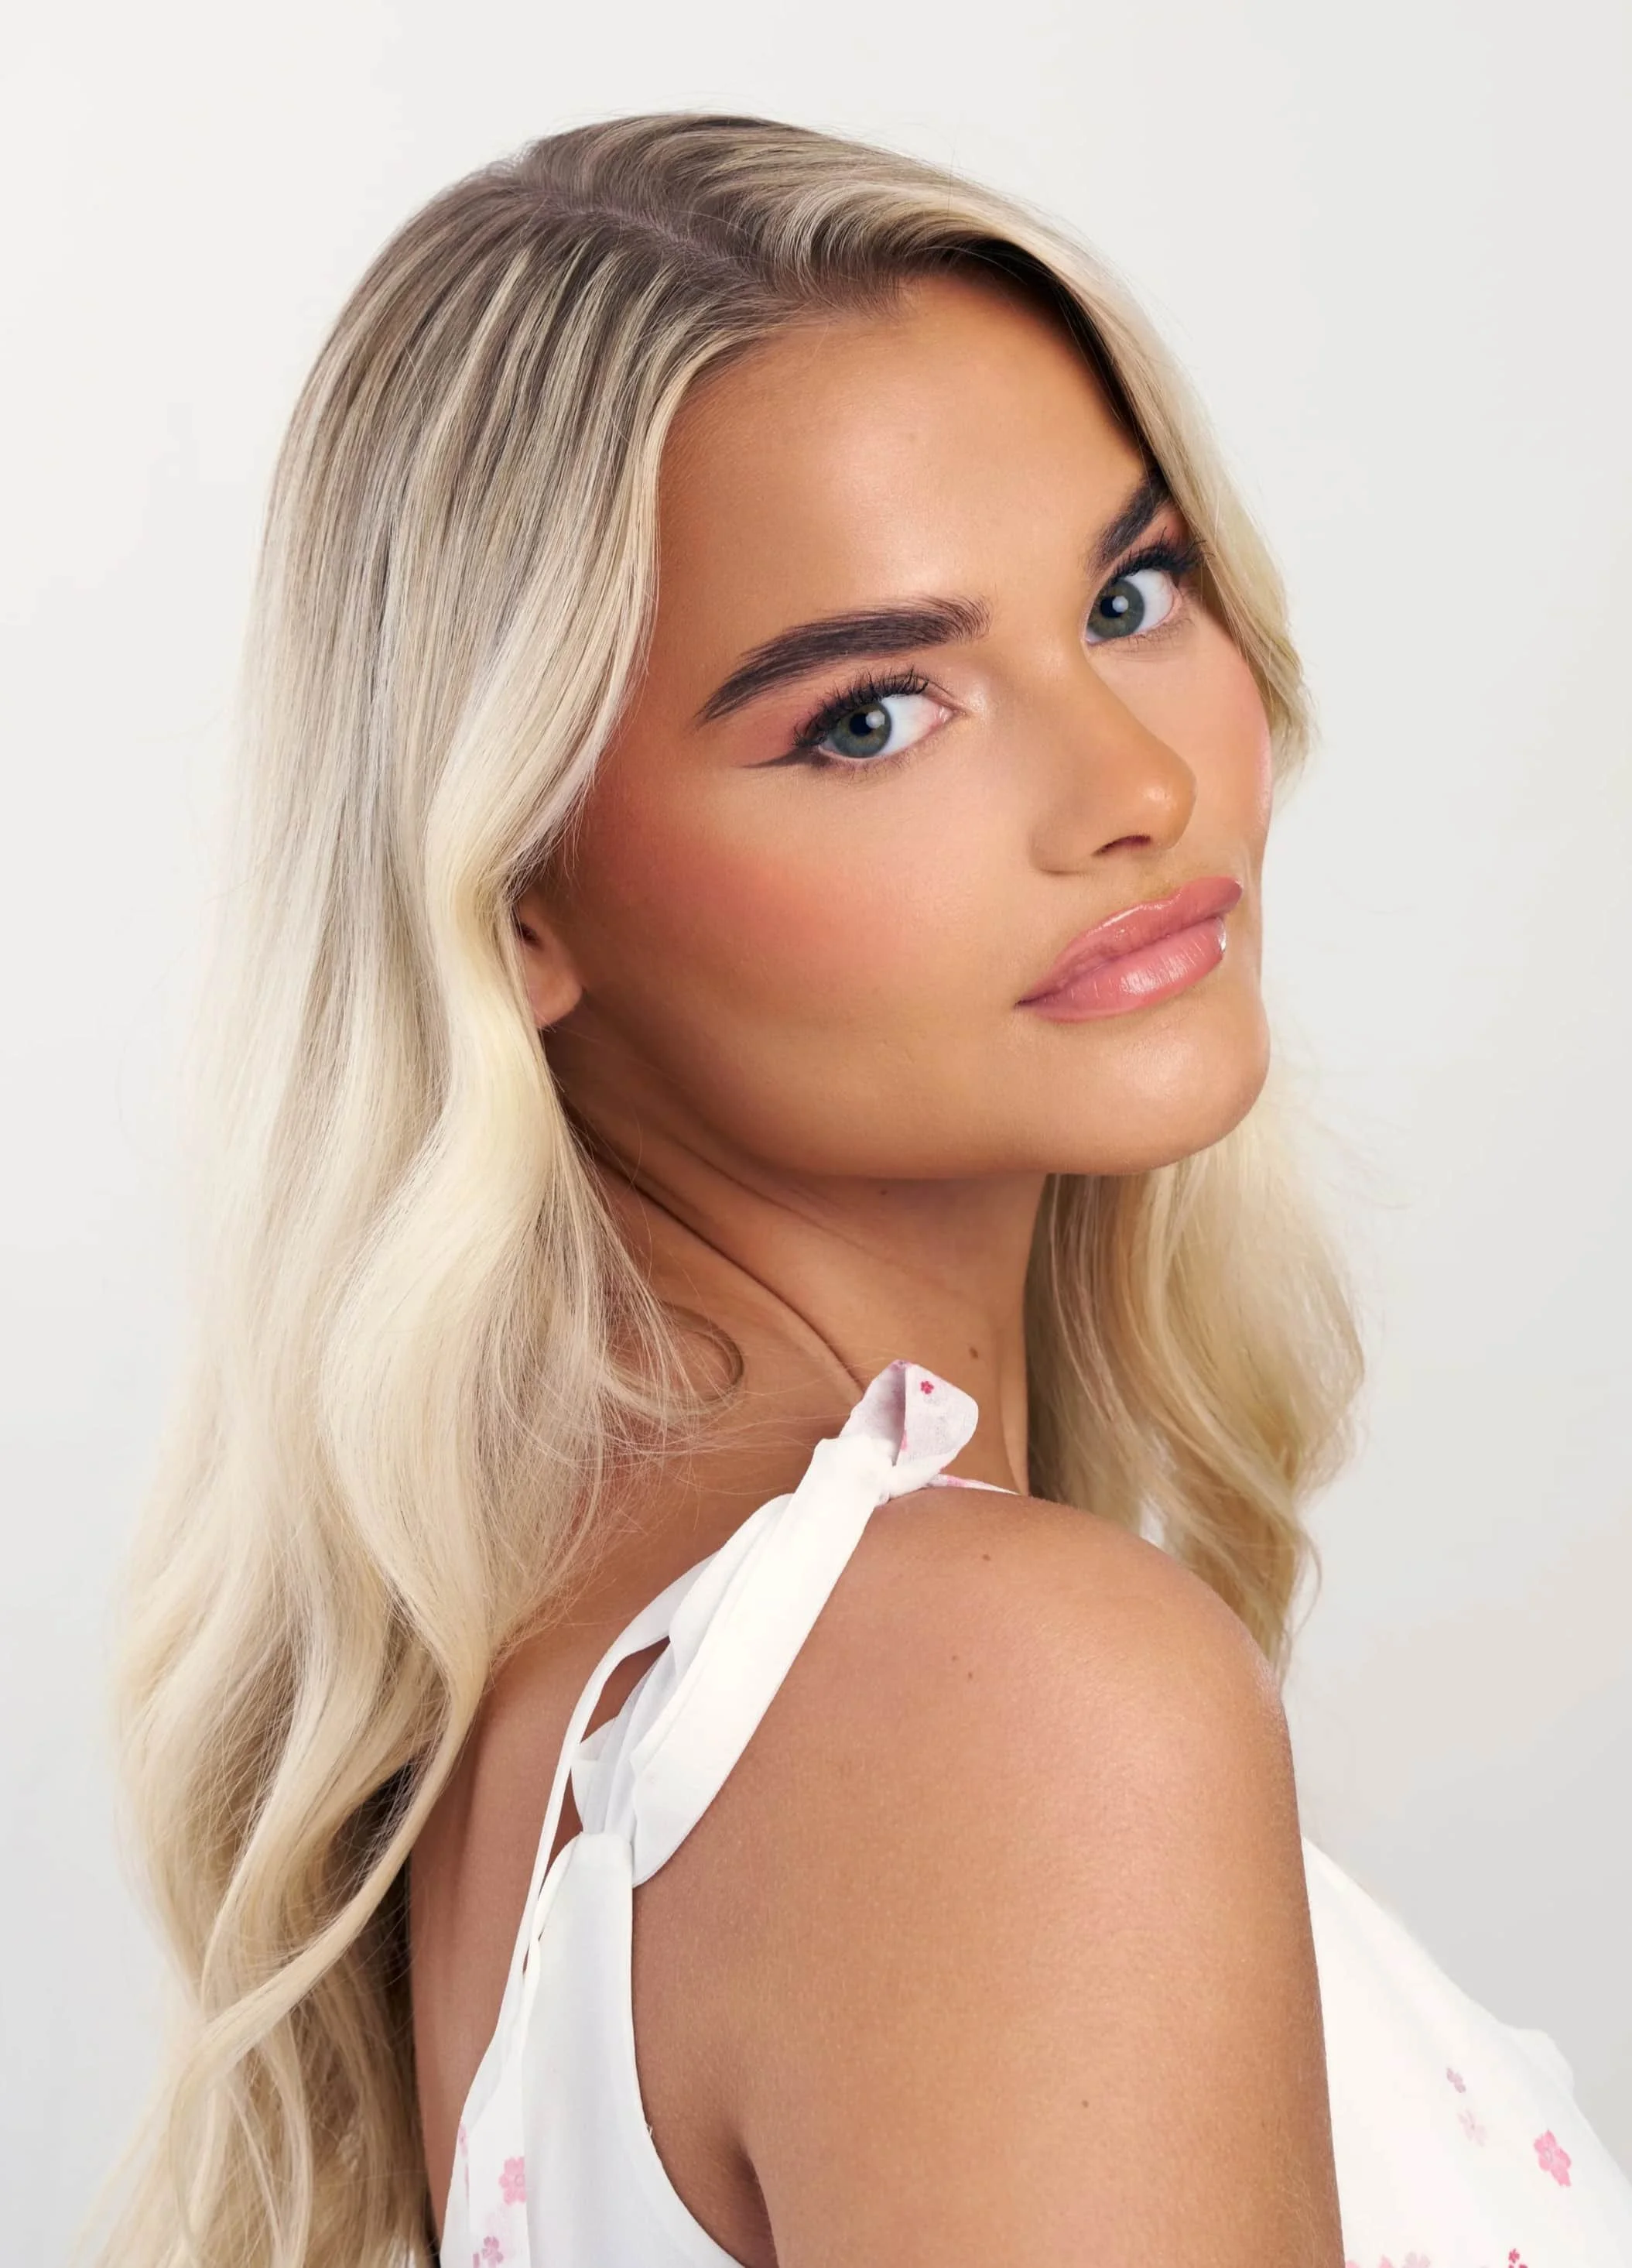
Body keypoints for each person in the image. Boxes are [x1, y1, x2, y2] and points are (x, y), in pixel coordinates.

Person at [108, 113, 1632, 2268]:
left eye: (1129, 598)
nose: (1136, 785)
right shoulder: (985, 1695)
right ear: (516, 896)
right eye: (871, 716)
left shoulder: (591, 1690)